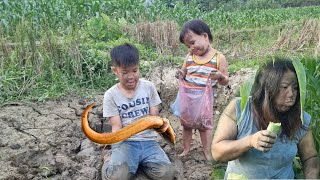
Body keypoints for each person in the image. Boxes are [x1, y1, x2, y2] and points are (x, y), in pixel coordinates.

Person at [211, 58, 320, 179]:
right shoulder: (240, 109)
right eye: (284, 87)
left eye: (295, 88)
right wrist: (250, 141)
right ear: (268, 88)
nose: (291, 94)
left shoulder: (300, 119)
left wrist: (312, 177)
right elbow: (217, 152)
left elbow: (310, 157)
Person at [101, 43, 174, 180]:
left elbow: (154, 116)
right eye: (125, 72)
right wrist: (119, 150)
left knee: (166, 174)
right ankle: (109, 159)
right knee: (116, 177)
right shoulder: (111, 95)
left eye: (134, 71)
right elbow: (116, 126)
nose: (131, 76)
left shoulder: (148, 87)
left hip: (148, 141)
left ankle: (138, 162)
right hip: (126, 142)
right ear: (115, 70)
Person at [176, 19, 229, 160]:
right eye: (188, 46)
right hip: (188, 100)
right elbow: (184, 72)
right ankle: (186, 149)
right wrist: (180, 74)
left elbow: (225, 80)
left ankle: (207, 152)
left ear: (205, 36)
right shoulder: (189, 57)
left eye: (192, 43)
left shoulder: (218, 58)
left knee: (204, 127)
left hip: (205, 101)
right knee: (186, 126)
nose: (191, 48)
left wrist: (219, 76)